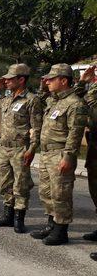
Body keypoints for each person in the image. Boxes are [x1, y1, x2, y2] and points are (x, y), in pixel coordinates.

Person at [30, 64, 88, 245]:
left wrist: (68, 157)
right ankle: (51, 224)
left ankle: (61, 231)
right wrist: (42, 87)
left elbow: (75, 134)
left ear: (64, 81)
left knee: (60, 193)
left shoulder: (75, 104)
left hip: (60, 153)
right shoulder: (53, 101)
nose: (47, 82)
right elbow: (37, 102)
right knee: (46, 191)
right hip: (47, 153)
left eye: (51, 79)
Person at [0, 64, 43, 233]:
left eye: (11, 79)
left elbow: (36, 127)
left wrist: (32, 148)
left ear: (22, 80)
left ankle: (19, 217)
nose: (7, 81)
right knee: (4, 182)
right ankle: (7, 214)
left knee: (21, 184)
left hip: (20, 148)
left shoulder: (32, 100)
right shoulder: (6, 98)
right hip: (4, 148)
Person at [76, 65, 97, 260]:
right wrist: (83, 82)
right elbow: (76, 99)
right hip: (94, 144)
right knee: (94, 189)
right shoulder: (93, 89)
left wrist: (90, 89)